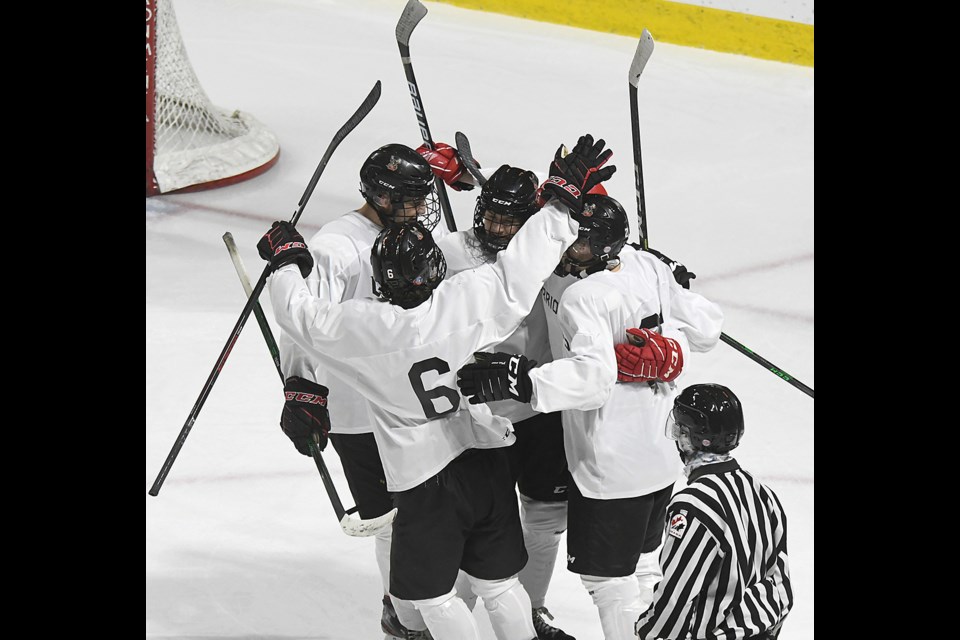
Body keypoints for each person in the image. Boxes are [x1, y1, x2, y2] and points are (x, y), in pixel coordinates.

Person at [257, 134, 615, 640]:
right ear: (436, 273)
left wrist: (287, 263)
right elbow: (519, 271)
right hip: (482, 456)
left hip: (424, 478)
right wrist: (560, 207)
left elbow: (301, 316)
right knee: (499, 586)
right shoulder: (463, 300)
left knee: (433, 599)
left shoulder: (361, 331)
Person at [457, 185, 724, 640]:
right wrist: (674, 342)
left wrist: (522, 380)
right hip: (659, 454)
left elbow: (594, 379)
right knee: (637, 565)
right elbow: (706, 325)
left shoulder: (583, 293)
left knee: (606, 581)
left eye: (576, 240)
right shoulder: (644, 264)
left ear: (599, 247)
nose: (564, 244)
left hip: (606, 459)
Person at [276, 142, 443, 640]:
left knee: (424, 516)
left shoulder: (402, 232)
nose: (420, 210)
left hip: (408, 405)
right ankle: (403, 616)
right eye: (411, 199)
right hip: (357, 413)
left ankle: (421, 602)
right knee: (391, 521)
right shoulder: (337, 246)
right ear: (382, 196)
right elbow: (303, 322)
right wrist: (302, 389)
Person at [429, 161, 576, 640]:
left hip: (538, 409)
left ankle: (531, 608)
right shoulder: (450, 251)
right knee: (473, 524)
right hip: (475, 418)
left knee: (545, 519)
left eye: (507, 221)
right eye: (488, 215)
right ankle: (455, 614)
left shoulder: (552, 252)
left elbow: (608, 248)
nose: (494, 227)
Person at [634, 384, 793, 639]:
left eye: (679, 429)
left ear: (689, 437)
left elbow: (678, 594)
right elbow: (780, 581)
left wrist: (650, 632)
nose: (675, 435)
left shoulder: (692, 505)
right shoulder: (761, 491)